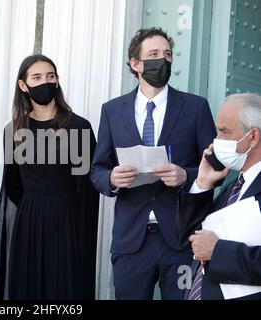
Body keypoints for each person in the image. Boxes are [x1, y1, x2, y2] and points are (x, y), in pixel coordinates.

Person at [90, 27, 216, 299]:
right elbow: (97, 170)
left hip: (182, 239)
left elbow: (215, 167)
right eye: (154, 54)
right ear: (135, 63)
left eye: (168, 54)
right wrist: (112, 178)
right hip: (131, 240)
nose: (163, 60)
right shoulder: (112, 111)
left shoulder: (196, 107)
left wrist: (185, 175)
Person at [0, 54, 99, 300]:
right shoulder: (14, 130)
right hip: (29, 222)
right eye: (36, 77)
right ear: (23, 85)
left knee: (63, 288)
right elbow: (13, 184)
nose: (45, 82)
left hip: (68, 221)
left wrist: (76, 228)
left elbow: (88, 185)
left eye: (51, 76)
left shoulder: (78, 127)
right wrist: (33, 208)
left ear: (57, 82)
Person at [177, 93, 261, 300]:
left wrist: (218, 252)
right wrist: (203, 183)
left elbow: (211, 249)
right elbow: (188, 240)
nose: (216, 142)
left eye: (225, 132)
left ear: (253, 137)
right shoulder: (232, 188)